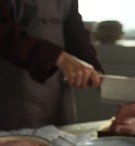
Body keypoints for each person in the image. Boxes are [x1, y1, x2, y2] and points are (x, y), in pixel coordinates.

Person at [0, 0, 104, 130]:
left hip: (58, 91)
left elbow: (74, 29)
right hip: (13, 91)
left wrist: (96, 72)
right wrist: (56, 57)